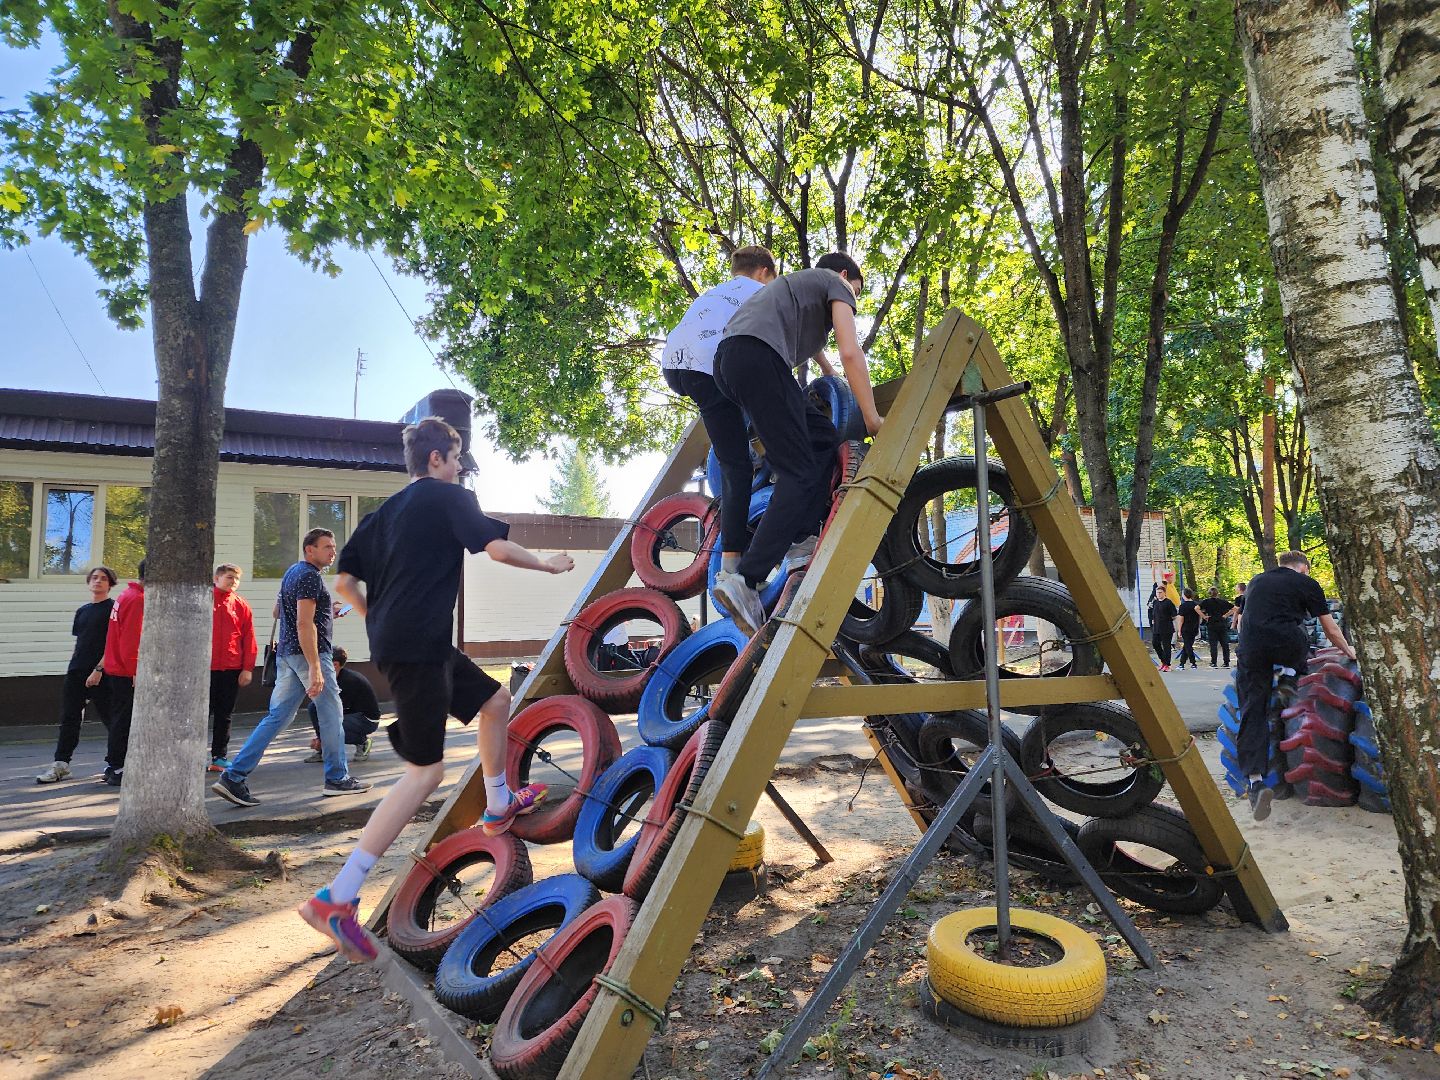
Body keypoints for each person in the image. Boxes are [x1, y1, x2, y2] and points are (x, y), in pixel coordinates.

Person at [298, 416, 574, 962]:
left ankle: (497, 804)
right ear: (436, 460)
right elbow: (495, 549)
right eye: (456, 455)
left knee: (496, 699)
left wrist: (380, 618)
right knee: (426, 773)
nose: (460, 464)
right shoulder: (450, 498)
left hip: (413, 642)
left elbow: (345, 583)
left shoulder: (383, 515)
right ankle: (337, 897)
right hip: (418, 647)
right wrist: (546, 563)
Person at [710, 251, 883, 633]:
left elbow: (818, 345)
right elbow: (850, 350)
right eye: (856, 292)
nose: (853, 301)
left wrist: (827, 372)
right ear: (843, 275)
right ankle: (746, 579)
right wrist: (872, 418)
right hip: (758, 359)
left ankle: (801, 537)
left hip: (730, 363)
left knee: (822, 437)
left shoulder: (796, 290)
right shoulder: (835, 283)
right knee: (799, 471)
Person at [212, 530, 368, 806]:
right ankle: (337, 779)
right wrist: (315, 667)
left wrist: (324, 610)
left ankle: (233, 777)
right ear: (310, 550)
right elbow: (303, 624)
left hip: (287, 655)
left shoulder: (293, 573)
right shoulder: (309, 575)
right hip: (307, 655)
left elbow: (277, 612)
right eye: (327, 547)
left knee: (278, 718)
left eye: (334, 547)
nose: (333, 552)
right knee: (332, 714)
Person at [662, 246, 784, 579]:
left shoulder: (713, 294)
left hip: (676, 368)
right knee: (736, 468)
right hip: (710, 368)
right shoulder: (761, 290)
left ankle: (744, 442)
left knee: (732, 414)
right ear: (764, 272)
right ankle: (732, 566)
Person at [1234, 550, 1355, 820]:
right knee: (1300, 636)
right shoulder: (1306, 583)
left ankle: (1255, 782)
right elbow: (1330, 629)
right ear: (1304, 568)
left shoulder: (1256, 580)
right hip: (1285, 643)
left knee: (1252, 711)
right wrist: (1350, 652)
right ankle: (1289, 678)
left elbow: (1242, 619)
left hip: (1250, 648)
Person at [36, 566, 117, 784]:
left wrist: (98, 670)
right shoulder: (83, 610)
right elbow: (81, 642)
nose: (97, 581)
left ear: (110, 584)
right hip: (76, 672)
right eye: (94, 578)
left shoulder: (112, 609)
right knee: (69, 718)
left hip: (102, 674)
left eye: (103, 578)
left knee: (112, 720)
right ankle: (61, 764)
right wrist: (74, 668)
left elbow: (112, 644)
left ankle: (117, 764)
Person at [96, 560, 146, 786]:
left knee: (119, 717)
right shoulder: (138, 599)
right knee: (125, 720)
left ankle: (112, 764)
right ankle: (118, 766)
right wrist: (136, 669)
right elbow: (131, 639)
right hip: (126, 670)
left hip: (117, 667)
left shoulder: (127, 594)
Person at [208, 563, 257, 772]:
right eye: (229, 577)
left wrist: (247, 668)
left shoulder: (241, 605)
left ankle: (219, 756)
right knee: (200, 713)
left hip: (231, 667)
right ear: (217, 577)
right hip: (205, 668)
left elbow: (248, 638)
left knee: (224, 713)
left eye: (236, 579)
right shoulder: (204, 600)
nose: (233, 582)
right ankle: (190, 754)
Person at [305, 646, 381, 760]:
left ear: (335, 665)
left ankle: (363, 742)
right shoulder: (333, 678)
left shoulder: (348, 681)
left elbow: (336, 711)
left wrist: (322, 739)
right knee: (314, 707)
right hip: (351, 713)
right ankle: (324, 749)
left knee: (332, 727)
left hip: (367, 719)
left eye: (322, 662)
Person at [1198, 587, 1237, 668]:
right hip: (1222, 623)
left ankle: (1214, 662)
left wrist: (1204, 616)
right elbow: (1235, 608)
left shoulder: (1206, 602)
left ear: (1209, 593)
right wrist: (1226, 615)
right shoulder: (1223, 602)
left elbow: (1196, 608)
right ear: (1217, 593)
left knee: (1213, 644)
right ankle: (1226, 662)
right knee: (1225, 644)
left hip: (1212, 623)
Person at [1148, 582, 1177, 672]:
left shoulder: (1168, 602)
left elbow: (1174, 615)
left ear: (1164, 593)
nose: (1158, 594)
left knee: (1166, 646)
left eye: (1160, 592)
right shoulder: (1156, 602)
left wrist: (1167, 619)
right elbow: (1153, 614)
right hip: (1156, 628)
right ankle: (1163, 661)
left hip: (1166, 628)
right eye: (1157, 593)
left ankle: (1167, 665)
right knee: (1155, 643)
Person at [1176, 588, 1202, 669]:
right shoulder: (1196, 605)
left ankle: (1193, 663)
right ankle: (1181, 663)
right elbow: (1199, 617)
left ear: (1184, 595)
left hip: (1186, 628)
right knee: (1187, 645)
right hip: (1194, 628)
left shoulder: (1183, 606)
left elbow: (1181, 620)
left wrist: (1179, 630)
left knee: (1188, 646)